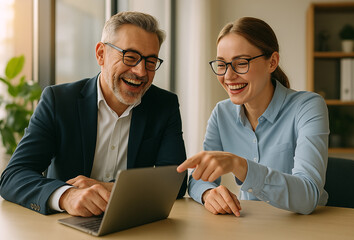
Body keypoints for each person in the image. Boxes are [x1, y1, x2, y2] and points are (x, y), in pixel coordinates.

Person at [0, 11, 187, 216]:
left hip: (131, 223)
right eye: (130, 57)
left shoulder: (164, 105)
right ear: (101, 54)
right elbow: (13, 176)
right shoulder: (58, 101)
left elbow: (175, 183)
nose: (141, 72)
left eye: (150, 62)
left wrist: (109, 189)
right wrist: (66, 196)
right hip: (63, 226)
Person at [177, 17, 329, 216]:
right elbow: (199, 178)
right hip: (251, 224)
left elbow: (309, 195)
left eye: (241, 63)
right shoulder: (221, 113)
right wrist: (208, 193)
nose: (228, 76)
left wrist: (239, 165)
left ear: (272, 62)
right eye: (222, 65)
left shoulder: (308, 107)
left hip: (309, 227)